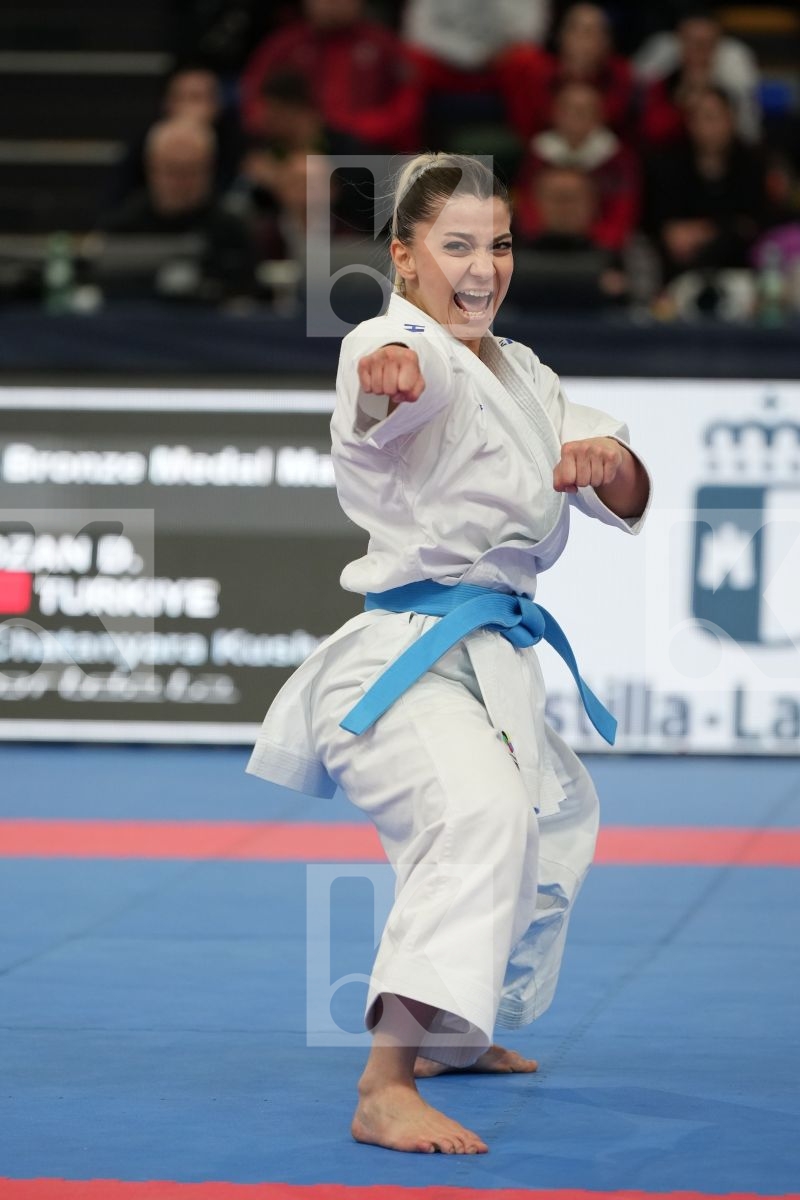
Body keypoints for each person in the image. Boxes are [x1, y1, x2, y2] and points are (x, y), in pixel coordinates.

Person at [246, 152, 651, 1154]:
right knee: (480, 818)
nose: (483, 266)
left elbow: (626, 487)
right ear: (404, 256)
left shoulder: (525, 372)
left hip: (491, 659)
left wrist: (611, 462)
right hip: (406, 657)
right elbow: (389, 378)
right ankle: (383, 1084)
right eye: (456, 245)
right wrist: (391, 376)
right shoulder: (394, 340)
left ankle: (448, 1035)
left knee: (549, 831)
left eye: (499, 244)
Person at [100, 119, 256, 301]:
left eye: (192, 170)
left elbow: (247, 294)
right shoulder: (122, 228)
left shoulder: (232, 231)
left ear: (210, 169)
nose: (181, 182)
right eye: (172, 169)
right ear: (151, 168)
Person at [239, 0, 421, 151]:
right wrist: (287, 126)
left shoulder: (384, 46)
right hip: (294, 150)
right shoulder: (282, 47)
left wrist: (360, 128)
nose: (333, 3)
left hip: (366, 152)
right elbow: (253, 101)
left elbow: (408, 107)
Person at [644, 86, 767, 279]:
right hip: (680, 271)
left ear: (731, 120)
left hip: (740, 270)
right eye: (698, 118)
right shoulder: (667, 164)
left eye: (713, 117)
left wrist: (703, 231)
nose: (707, 128)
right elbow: (664, 226)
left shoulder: (752, 163)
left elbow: (752, 224)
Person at [514, 82, 640, 250]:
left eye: (583, 111)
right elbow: (525, 198)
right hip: (541, 241)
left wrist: (603, 237)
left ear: (600, 116)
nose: (575, 117)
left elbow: (624, 205)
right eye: (568, 110)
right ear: (555, 113)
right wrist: (534, 231)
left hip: (598, 242)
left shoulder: (616, 156)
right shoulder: (539, 152)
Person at [499, 3, 636, 141]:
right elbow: (529, 124)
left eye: (592, 32)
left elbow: (616, 120)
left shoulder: (620, 73)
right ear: (561, 36)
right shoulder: (537, 72)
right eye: (576, 30)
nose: (583, 40)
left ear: (607, 42)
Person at [637, 6, 761, 145]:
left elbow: (749, 135)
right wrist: (682, 109)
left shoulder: (733, 83)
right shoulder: (661, 78)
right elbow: (650, 134)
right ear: (678, 42)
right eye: (690, 41)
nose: (698, 50)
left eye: (706, 43)